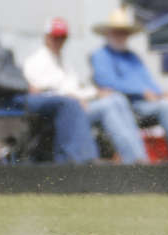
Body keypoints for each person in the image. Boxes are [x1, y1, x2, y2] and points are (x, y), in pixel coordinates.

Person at [0, 7, 99, 164]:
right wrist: (26, 86)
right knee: (67, 103)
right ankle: (73, 161)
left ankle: (80, 159)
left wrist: (28, 86)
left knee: (68, 103)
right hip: (4, 100)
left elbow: (14, 73)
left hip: (18, 96)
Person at [89, 7, 168, 164]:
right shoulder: (100, 55)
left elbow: (149, 82)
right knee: (167, 108)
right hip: (129, 104)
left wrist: (162, 94)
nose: (121, 36)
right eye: (117, 32)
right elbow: (106, 82)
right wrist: (143, 92)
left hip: (147, 103)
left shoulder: (133, 57)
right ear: (108, 33)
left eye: (124, 32)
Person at [23, 17, 149, 164]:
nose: (59, 41)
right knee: (109, 106)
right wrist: (74, 98)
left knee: (117, 99)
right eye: (55, 37)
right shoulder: (35, 61)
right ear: (47, 37)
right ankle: (132, 158)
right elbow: (38, 92)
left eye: (62, 37)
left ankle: (139, 156)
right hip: (64, 111)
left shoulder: (64, 62)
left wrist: (96, 93)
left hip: (77, 106)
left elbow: (75, 88)